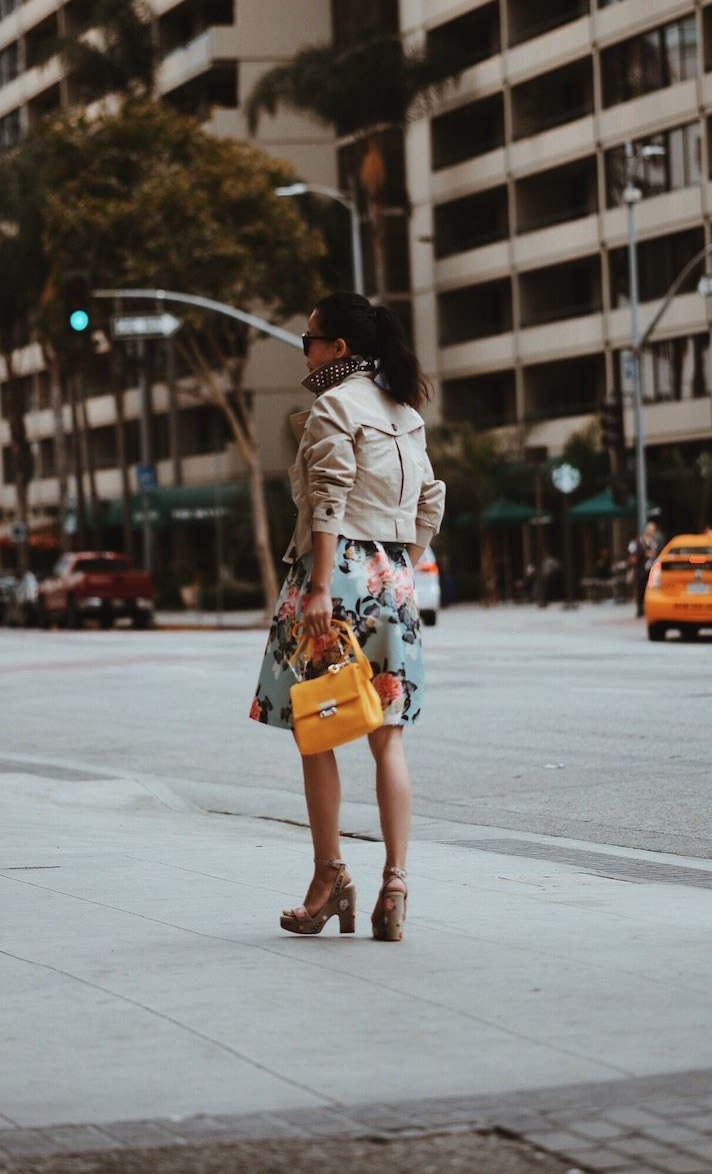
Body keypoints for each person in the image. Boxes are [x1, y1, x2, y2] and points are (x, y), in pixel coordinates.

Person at [250, 292, 445, 942]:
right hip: (393, 582)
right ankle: (395, 882)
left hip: (335, 575)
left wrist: (322, 588)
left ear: (337, 349)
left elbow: (329, 495)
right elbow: (432, 501)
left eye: (308, 340)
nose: (303, 350)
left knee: (320, 728)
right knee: (386, 735)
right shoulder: (405, 412)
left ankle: (329, 878)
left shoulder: (334, 405)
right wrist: (400, 566)